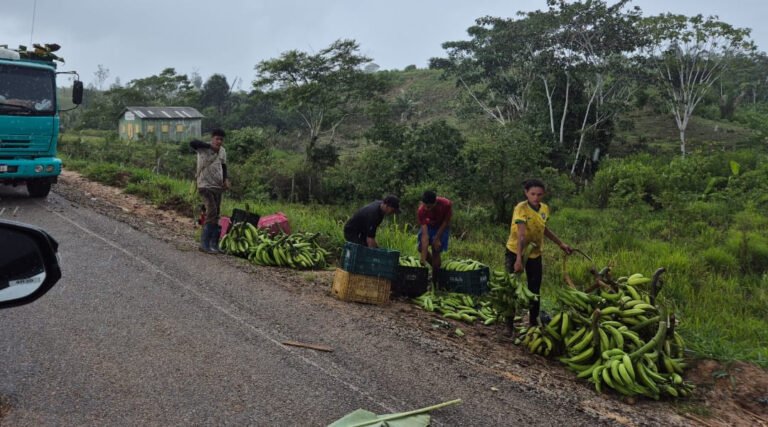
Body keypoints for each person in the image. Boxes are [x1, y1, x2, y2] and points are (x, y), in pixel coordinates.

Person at [506, 179, 572, 327]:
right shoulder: (521, 208)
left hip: (534, 254)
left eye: (539, 194)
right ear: (526, 193)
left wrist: (561, 243)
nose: (536, 197)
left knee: (534, 289)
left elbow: (544, 229)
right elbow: (521, 236)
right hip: (515, 251)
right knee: (511, 287)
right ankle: (508, 324)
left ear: (544, 194)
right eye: (532, 194)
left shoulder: (544, 209)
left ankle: (533, 323)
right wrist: (518, 260)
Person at [190, 129, 228, 254]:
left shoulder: (222, 151)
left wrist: (225, 179)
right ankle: (204, 244)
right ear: (212, 138)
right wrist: (209, 146)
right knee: (211, 211)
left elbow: (223, 165)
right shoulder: (203, 148)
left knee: (216, 213)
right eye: (217, 139)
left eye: (221, 139)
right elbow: (192, 143)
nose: (219, 141)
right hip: (204, 185)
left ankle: (213, 244)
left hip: (217, 186)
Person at [417, 191, 452, 287]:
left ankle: (435, 281)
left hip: (442, 226)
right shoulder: (421, 210)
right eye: (425, 205)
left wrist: (437, 238)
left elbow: (446, 222)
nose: (426, 208)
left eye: (429, 207)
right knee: (420, 248)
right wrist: (423, 260)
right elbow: (425, 235)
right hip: (429, 226)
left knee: (436, 249)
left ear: (435, 202)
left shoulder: (446, 204)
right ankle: (437, 269)